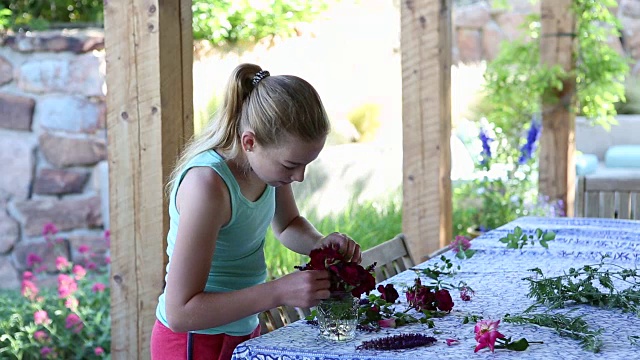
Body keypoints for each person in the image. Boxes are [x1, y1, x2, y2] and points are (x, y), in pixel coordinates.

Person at [150, 63, 362, 360]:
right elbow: (180, 312)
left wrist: (319, 244)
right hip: (193, 341)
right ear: (249, 142)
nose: (299, 177)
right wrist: (278, 292)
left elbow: (288, 225)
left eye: (306, 165)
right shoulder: (207, 185)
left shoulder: (267, 169)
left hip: (243, 330)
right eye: (291, 165)